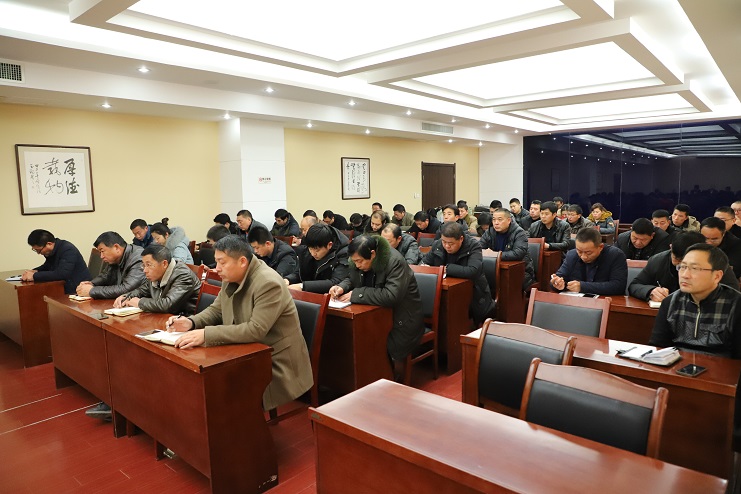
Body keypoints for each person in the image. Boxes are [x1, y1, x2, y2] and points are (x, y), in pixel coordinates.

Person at [166, 236, 313, 411]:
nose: (217, 268)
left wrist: (206, 334)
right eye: (216, 262)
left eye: (222, 262)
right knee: (199, 377)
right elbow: (217, 310)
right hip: (245, 350)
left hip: (274, 359)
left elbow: (255, 330)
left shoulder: (268, 282)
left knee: (220, 384)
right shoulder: (232, 276)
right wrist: (191, 322)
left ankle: (238, 425)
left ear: (242, 261)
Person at [330, 235, 423, 379]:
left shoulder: (394, 261)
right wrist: (342, 287)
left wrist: (357, 294)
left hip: (403, 317)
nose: (357, 265)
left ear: (372, 254)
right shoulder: (357, 258)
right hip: (376, 315)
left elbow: (391, 295)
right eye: (354, 262)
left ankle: (386, 377)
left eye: (360, 261)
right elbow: (352, 278)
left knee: (375, 342)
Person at [649, 244, 741, 358]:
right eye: (683, 267)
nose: (685, 275)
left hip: (719, 367)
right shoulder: (670, 302)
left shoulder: (736, 305)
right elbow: (658, 348)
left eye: (695, 269)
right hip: (677, 365)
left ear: (717, 276)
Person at [628, 232, 739, 302]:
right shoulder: (658, 260)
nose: (680, 267)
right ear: (671, 247)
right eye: (675, 258)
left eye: (687, 263)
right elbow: (634, 285)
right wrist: (650, 291)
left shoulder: (716, 263)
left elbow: (733, 295)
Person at [421, 222, 496, 325]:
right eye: (444, 242)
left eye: (451, 243)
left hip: (473, 293)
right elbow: (424, 262)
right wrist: (424, 267)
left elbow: (472, 270)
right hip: (443, 291)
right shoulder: (438, 244)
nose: (447, 246)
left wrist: (446, 269)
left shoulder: (473, 246)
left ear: (461, 239)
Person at [113, 244, 201, 314]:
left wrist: (140, 303)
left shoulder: (183, 275)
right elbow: (141, 290)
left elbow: (168, 305)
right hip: (166, 317)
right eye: (143, 265)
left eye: (148, 265)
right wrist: (126, 297)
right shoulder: (156, 274)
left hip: (185, 320)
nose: (145, 270)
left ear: (164, 264)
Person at [551, 228, 627, 295]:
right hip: (576, 301)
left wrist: (583, 287)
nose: (583, 256)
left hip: (605, 301)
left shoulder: (615, 255)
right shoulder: (572, 255)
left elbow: (618, 286)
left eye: (588, 253)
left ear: (600, 247)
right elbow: (558, 278)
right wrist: (558, 284)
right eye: (579, 251)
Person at [76, 231, 145, 299]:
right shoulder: (115, 259)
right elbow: (105, 276)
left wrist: (92, 291)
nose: (101, 256)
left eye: (102, 251)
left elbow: (126, 288)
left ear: (116, 247)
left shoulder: (138, 257)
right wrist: (90, 284)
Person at [479, 208, 534, 289]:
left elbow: (518, 253)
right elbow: (479, 247)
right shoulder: (490, 231)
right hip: (494, 268)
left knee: (504, 283)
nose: (496, 223)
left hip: (520, 271)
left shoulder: (519, 233)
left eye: (500, 219)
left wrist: (495, 254)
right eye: (494, 220)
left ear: (509, 220)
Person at [286, 223, 349, 293]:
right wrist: (288, 280)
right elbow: (300, 272)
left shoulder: (343, 253)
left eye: (317, 250)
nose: (313, 253)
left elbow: (336, 281)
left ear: (329, 245)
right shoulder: (310, 245)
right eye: (310, 249)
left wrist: (303, 286)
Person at [22, 229, 91, 294]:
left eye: (39, 250)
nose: (38, 253)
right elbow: (48, 266)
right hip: (64, 286)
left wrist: (34, 276)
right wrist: (35, 271)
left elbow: (62, 273)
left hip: (78, 289)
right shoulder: (53, 250)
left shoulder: (68, 249)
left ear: (49, 244)